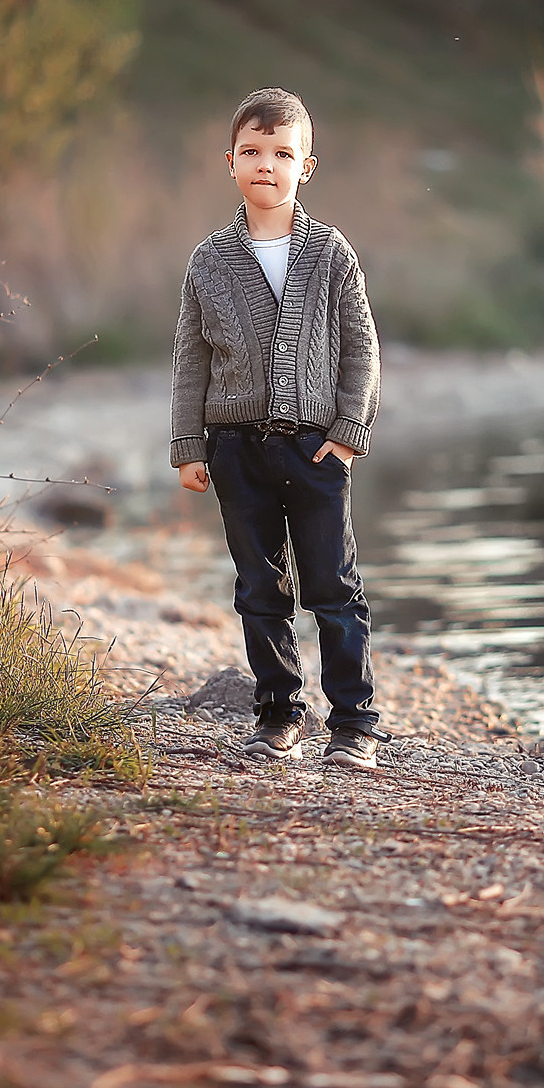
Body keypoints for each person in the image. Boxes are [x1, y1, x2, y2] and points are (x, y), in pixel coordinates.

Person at [170, 87, 385, 769]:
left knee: (334, 588)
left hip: (316, 445)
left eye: (283, 153)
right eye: (253, 152)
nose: (268, 164)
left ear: (307, 166)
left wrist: (349, 431)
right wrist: (188, 447)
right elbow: (189, 360)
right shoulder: (208, 259)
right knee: (260, 589)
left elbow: (362, 347)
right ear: (229, 161)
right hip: (236, 450)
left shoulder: (330, 253)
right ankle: (279, 714)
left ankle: (354, 723)